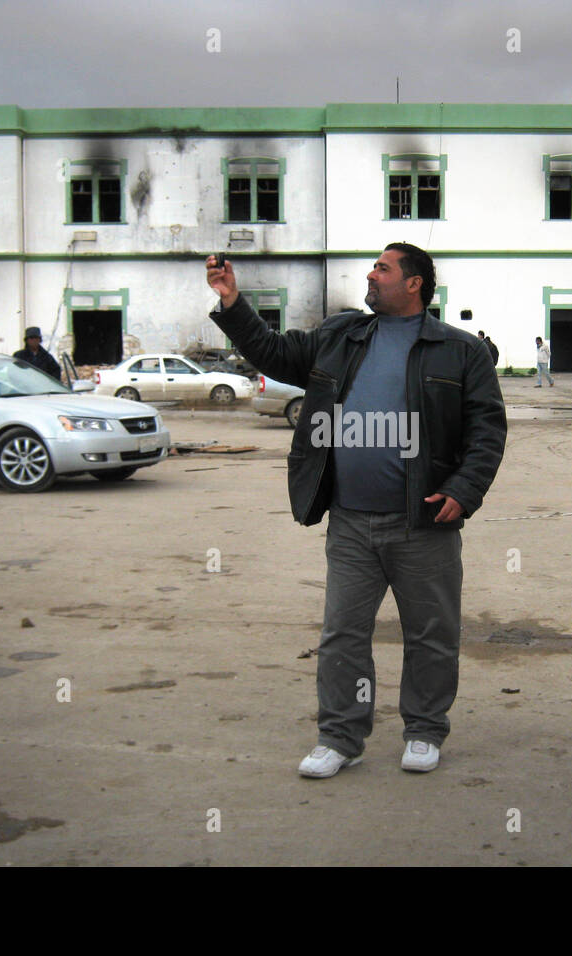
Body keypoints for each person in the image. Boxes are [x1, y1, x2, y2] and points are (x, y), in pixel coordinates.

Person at [205, 244, 506, 778]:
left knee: (431, 631)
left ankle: (424, 728)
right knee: (342, 632)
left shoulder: (459, 352)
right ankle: (340, 735)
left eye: (383, 268)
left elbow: (487, 430)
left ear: (414, 284)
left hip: (425, 523)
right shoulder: (340, 335)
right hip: (350, 521)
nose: (371, 274)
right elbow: (274, 352)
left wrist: (464, 490)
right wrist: (233, 302)